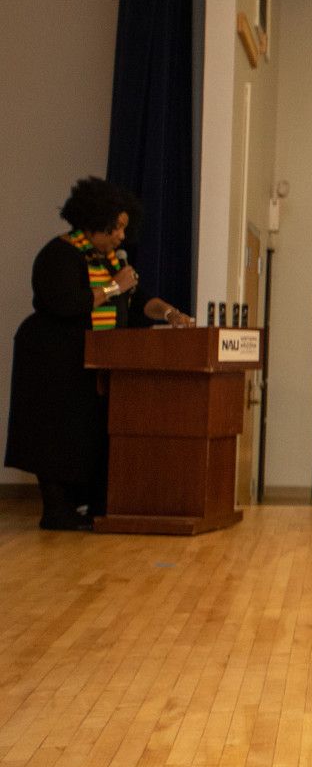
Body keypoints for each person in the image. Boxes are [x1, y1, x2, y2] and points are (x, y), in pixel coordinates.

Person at [7, 177, 192, 529]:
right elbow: (67, 303)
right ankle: (57, 511)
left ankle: (91, 505)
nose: (122, 236)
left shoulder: (108, 261)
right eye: (116, 228)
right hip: (54, 363)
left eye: (125, 228)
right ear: (94, 221)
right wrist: (114, 286)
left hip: (93, 364)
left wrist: (170, 313)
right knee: (57, 437)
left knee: (90, 435)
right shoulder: (58, 254)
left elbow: (137, 303)